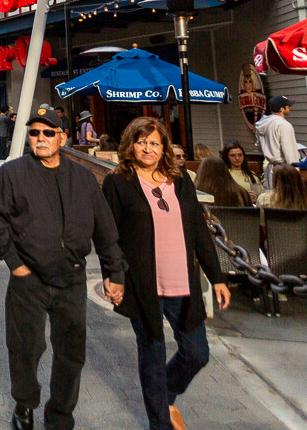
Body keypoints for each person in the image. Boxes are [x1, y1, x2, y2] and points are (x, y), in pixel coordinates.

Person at [0, 106, 125, 430]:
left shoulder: (83, 178)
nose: (41, 138)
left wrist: (114, 273)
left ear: (62, 136)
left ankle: (60, 415)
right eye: (34, 132)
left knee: (71, 354)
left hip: (71, 278)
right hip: (28, 280)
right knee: (25, 349)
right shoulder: (12, 173)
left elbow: (105, 229)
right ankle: (25, 403)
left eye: (48, 132)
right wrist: (15, 264)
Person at [102, 117, 230, 430]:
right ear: (130, 144)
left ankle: (167, 394)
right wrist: (113, 275)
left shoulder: (181, 180)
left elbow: (199, 231)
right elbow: (108, 235)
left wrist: (218, 278)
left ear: (164, 148)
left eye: (154, 143)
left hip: (182, 280)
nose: (148, 148)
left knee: (197, 353)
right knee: (153, 355)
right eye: (141, 141)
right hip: (142, 283)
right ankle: (159, 422)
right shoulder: (118, 182)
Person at [255, 95, 301, 186]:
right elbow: (289, 151)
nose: (290, 108)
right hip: (284, 171)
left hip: (270, 169)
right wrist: (295, 171)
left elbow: (259, 145)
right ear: (281, 109)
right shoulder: (283, 125)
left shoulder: (263, 124)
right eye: (288, 106)